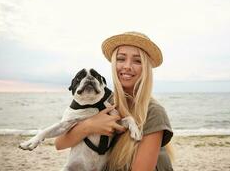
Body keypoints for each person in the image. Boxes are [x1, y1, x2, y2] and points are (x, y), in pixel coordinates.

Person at [55, 32, 174, 171]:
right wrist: (90, 126)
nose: (127, 66)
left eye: (137, 61)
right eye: (121, 59)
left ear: (146, 69)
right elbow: (59, 143)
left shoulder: (153, 112)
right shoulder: (106, 103)